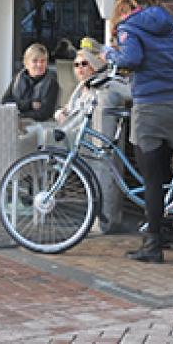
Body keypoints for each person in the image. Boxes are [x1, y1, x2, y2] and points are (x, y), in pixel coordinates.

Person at [106, 0, 173, 264]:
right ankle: (167, 229)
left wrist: (109, 54)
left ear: (125, 6)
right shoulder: (171, 26)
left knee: (150, 178)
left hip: (150, 106)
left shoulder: (130, 27)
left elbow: (131, 59)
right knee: (164, 171)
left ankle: (153, 244)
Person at [52, 38, 131, 235]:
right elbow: (70, 110)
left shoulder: (106, 85)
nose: (79, 68)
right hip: (82, 142)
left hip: (100, 143)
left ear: (94, 65)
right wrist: (60, 113)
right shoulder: (80, 88)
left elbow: (129, 93)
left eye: (84, 64)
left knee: (104, 177)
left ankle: (106, 221)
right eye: (76, 65)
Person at [1, 43, 59, 122]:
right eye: (35, 61)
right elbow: (5, 103)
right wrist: (30, 105)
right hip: (15, 123)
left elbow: (44, 113)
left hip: (41, 126)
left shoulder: (52, 82)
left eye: (43, 61)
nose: (39, 65)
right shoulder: (17, 79)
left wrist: (18, 114)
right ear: (26, 63)